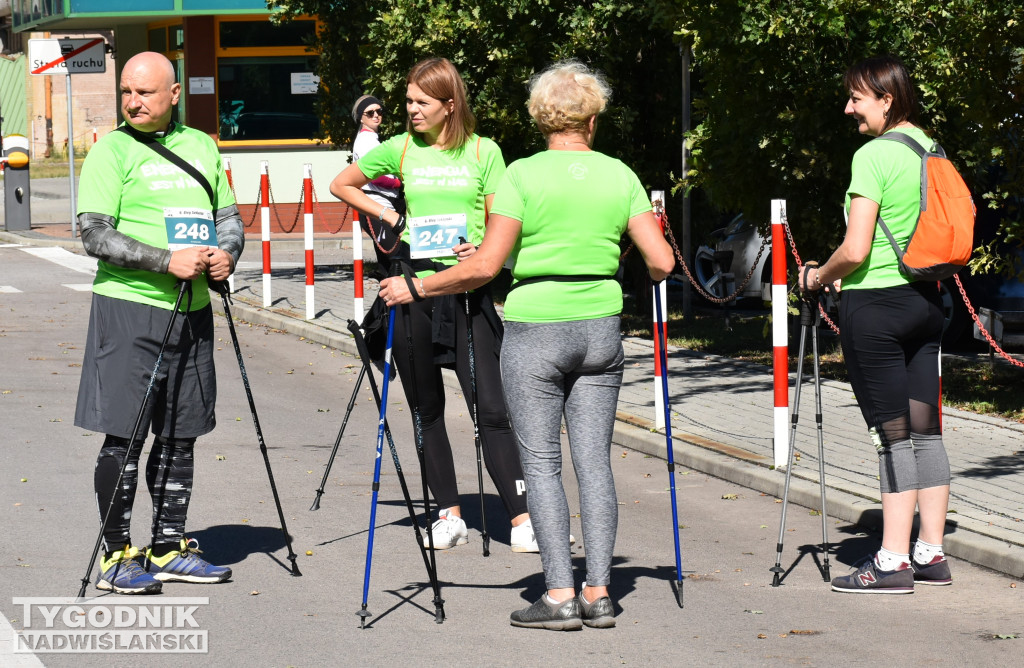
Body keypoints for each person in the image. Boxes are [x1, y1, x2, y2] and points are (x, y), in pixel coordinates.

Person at [377, 61, 675, 629]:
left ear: (542, 117)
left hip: (537, 325)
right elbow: (660, 262)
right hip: (600, 327)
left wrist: (415, 284)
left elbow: (489, 265)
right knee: (595, 464)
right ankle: (600, 592)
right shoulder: (620, 174)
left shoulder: (521, 174)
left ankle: (559, 594)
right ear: (592, 117)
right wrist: (598, 254)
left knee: (540, 462)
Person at [331, 57, 539, 552]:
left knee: (491, 408)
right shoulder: (399, 149)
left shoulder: (485, 151)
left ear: (450, 105)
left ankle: (523, 519)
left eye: (422, 102)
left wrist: (484, 248)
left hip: (465, 292)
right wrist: (385, 211)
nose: (411, 110)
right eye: (407, 101)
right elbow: (341, 184)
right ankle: (447, 514)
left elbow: (499, 224)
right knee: (426, 409)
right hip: (411, 291)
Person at [75, 51, 244, 594]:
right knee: (125, 436)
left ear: (174, 95)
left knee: (181, 434)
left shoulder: (200, 145)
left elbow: (228, 219)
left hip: (193, 311)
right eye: (126, 91)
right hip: (130, 307)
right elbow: (93, 234)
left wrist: (226, 255)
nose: (133, 101)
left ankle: (169, 544)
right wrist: (162, 259)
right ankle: (116, 555)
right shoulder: (111, 151)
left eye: (145, 93)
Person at [799, 55, 951, 594]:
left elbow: (856, 247)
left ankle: (891, 560)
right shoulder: (929, 148)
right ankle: (930, 551)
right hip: (925, 303)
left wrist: (818, 275)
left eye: (857, 99)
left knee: (893, 439)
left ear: (887, 99)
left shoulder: (874, 155)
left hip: (876, 309)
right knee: (926, 430)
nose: (849, 109)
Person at [350, 94, 403, 250]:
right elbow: (374, 176)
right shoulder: (367, 141)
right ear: (361, 118)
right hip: (378, 203)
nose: (376, 115)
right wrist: (398, 183)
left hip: (378, 203)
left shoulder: (370, 139)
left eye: (379, 111)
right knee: (396, 255)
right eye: (370, 113)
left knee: (387, 259)